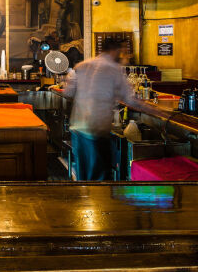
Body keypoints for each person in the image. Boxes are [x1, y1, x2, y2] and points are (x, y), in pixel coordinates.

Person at [63, 39, 153, 180]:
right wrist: (155, 110)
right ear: (115, 51)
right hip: (96, 131)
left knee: (83, 177)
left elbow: (68, 92)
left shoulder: (82, 65)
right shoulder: (114, 69)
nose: (124, 56)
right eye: (122, 52)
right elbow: (130, 100)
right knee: (99, 180)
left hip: (77, 128)